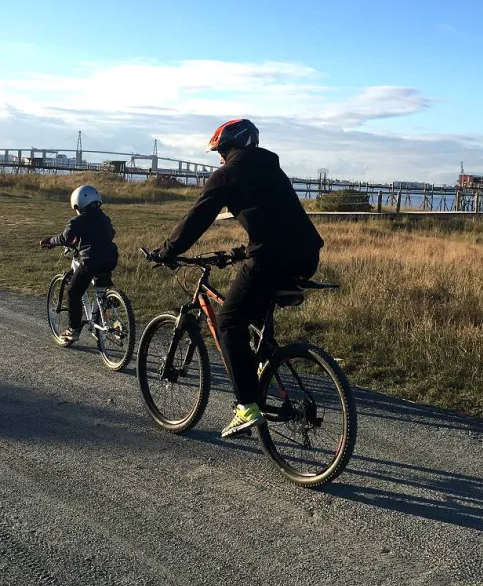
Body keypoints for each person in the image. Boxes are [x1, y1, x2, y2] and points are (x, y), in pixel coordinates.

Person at [149, 118, 325, 438]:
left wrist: (167, 251)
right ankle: (262, 364)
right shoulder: (273, 169)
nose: (219, 157)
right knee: (255, 309)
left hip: (270, 258)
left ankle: (246, 407)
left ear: (231, 148)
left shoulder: (226, 174)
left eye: (221, 150)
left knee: (230, 322)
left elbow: (197, 219)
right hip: (307, 256)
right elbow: (276, 217)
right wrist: (245, 251)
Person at [40, 184, 119, 343]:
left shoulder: (78, 220)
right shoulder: (104, 218)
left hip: (91, 261)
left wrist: (50, 241)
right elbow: (110, 233)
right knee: (101, 287)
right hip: (110, 258)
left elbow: (65, 238)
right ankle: (110, 307)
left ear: (78, 204)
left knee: (73, 291)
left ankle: (73, 329)